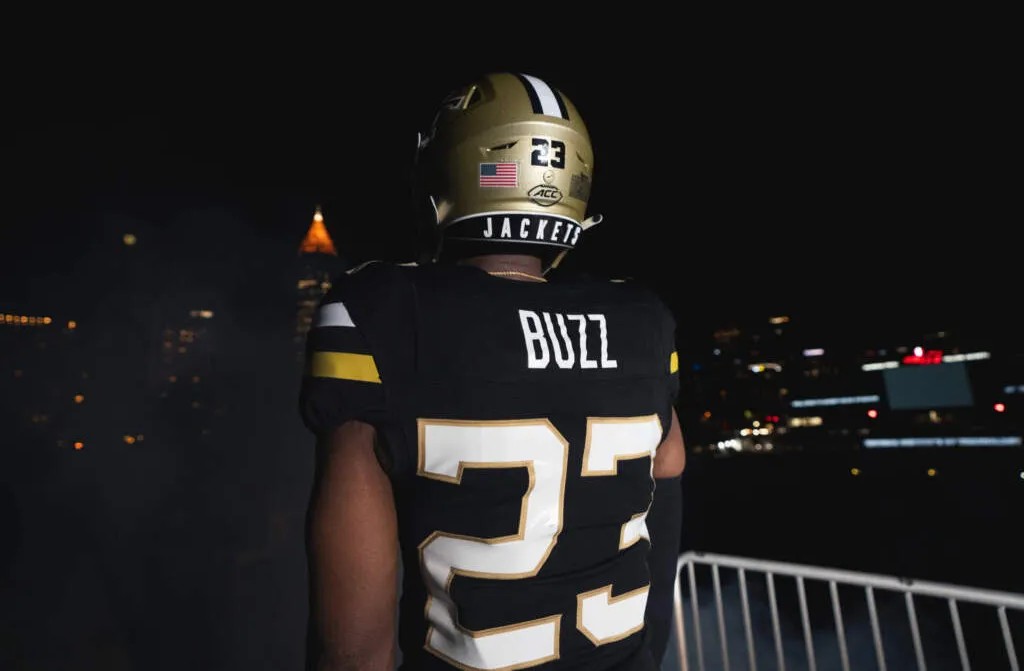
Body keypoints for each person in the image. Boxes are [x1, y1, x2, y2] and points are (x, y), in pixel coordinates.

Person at [299, 71, 685, 671]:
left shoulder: (383, 313)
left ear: (451, 173)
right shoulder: (643, 319)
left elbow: (354, 650)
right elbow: (669, 465)